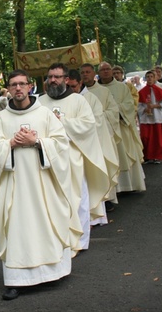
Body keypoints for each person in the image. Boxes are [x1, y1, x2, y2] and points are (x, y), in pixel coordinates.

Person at [0, 69, 81, 301]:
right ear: (8, 89)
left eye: (22, 84)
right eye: (13, 85)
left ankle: (52, 273)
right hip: (15, 187)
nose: (18, 88)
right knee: (17, 230)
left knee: (45, 224)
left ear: (30, 87)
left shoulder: (45, 114)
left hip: (43, 185)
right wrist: (11, 143)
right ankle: (16, 280)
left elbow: (61, 144)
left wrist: (36, 142)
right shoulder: (0, 119)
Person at [39, 64, 109, 251]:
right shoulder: (40, 102)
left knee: (78, 199)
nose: (53, 80)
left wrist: (61, 123)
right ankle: (57, 240)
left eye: (58, 77)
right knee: (51, 201)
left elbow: (88, 125)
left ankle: (80, 240)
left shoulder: (78, 101)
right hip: (48, 159)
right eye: (50, 76)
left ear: (66, 79)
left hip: (72, 158)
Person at [67, 70, 119, 226]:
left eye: (73, 86)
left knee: (91, 183)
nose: (71, 90)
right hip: (71, 147)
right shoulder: (66, 100)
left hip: (90, 147)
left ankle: (95, 216)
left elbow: (95, 123)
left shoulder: (91, 99)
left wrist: (71, 127)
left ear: (80, 83)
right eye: (68, 87)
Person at [98, 62, 146, 193]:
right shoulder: (94, 89)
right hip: (104, 130)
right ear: (99, 72)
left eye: (108, 69)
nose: (106, 72)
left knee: (124, 154)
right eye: (103, 70)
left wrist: (114, 111)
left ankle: (128, 185)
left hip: (121, 126)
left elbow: (129, 104)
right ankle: (114, 188)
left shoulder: (122, 87)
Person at [80, 63, 122, 210]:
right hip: (83, 137)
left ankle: (107, 197)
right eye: (82, 72)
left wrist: (99, 117)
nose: (85, 75)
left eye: (88, 72)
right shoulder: (74, 95)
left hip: (101, 134)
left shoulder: (103, 92)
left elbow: (113, 110)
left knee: (102, 164)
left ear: (93, 74)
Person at [138, 71, 162, 164]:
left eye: (152, 76)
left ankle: (156, 156)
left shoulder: (159, 90)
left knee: (157, 138)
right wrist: (145, 109)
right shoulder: (141, 91)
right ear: (145, 78)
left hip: (156, 117)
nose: (150, 78)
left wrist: (154, 106)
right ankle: (146, 156)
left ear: (155, 78)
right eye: (148, 77)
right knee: (145, 137)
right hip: (145, 118)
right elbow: (138, 106)